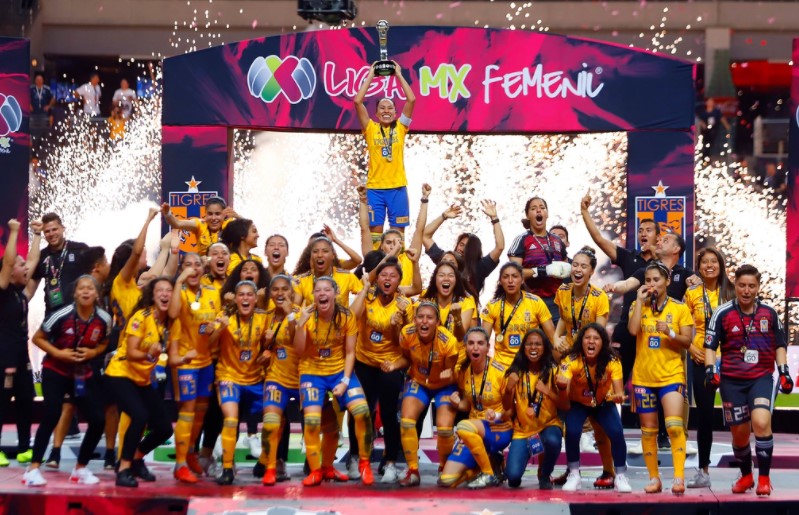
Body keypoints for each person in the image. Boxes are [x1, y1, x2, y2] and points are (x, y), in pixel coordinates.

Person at [705, 264, 791, 497]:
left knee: (761, 422)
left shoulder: (769, 313)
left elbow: (780, 344)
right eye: (742, 285)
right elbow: (710, 346)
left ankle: (764, 479)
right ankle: (746, 475)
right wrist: (710, 370)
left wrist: (784, 371)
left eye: (751, 286)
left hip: (761, 378)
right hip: (731, 382)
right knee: (740, 434)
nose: (746, 290)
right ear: (735, 285)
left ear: (758, 287)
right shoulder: (722, 313)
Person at [23, 275, 112, 487]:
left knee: (98, 419)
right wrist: (59, 353)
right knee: (53, 413)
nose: (86, 291)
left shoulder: (104, 319)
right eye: (81, 288)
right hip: (55, 370)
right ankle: (33, 469)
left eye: (90, 288)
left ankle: (80, 468)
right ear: (75, 293)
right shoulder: (61, 315)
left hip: (81, 374)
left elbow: (105, 342)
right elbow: (37, 338)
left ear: (97, 294)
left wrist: (93, 353)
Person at [293, 276, 375, 486]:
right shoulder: (305, 315)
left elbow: (350, 352)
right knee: (314, 422)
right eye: (318, 290)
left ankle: (364, 463)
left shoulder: (347, 316)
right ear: (313, 295)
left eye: (327, 289)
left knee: (362, 413)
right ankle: (317, 471)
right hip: (312, 372)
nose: (322, 293)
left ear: (336, 294)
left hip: (340, 371)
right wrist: (300, 326)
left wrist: (345, 381)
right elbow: (299, 351)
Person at [26, 212, 90, 469]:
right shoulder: (43, 256)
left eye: (54, 229)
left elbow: (95, 278)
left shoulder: (79, 250)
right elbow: (30, 281)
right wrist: (19, 304)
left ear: (63, 228)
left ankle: (74, 424)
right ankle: (59, 437)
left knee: (78, 376)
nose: (51, 234)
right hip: (53, 322)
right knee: (56, 376)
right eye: (47, 231)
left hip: (78, 321)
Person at [580, 192, 658, 399]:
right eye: (640, 230)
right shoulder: (629, 257)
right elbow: (599, 239)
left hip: (654, 330)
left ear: (658, 237)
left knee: (655, 383)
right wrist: (585, 212)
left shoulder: (666, 264)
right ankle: (605, 415)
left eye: (648, 230)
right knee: (614, 382)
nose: (643, 233)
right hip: (627, 327)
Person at [104, 276, 179, 487]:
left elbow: (173, 358)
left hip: (141, 379)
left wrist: (186, 359)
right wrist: (149, 354)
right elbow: (131, 352)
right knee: (139, 416)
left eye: (169, 290)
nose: (165, 294)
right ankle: (123, 468)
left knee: (164, 428)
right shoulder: (141, 316)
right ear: (152, 296)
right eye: (160, 290)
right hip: (120, 373)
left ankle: (136, 458)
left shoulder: (171, 324)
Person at [628, 261, 694, 494]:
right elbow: (633, 330)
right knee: (648, 430)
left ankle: (679, 478)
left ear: (666, 281)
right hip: (644, 377)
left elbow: (687, 341)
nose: (652, 284)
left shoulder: (679, 308)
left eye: (656, 280)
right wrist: (638, 301)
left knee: (674, 427)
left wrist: (670, 332)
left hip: (671, 375)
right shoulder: (638, 305)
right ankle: (654, 479)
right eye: (648, 280)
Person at [553, 246, 615, 489]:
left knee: (599, 424)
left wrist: (582, 352)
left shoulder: (599, 297)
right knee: (571, 422)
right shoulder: (563, 291)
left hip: (592, 362)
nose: (578, 270)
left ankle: (609, 471)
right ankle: (572, 471)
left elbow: (599, 335)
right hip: (570, 361)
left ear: (591, 272)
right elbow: (563, 319)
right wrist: (556, 337)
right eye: (575, 265)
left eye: (583, 266)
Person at [349, 259, 413, 484]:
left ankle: (390, 462)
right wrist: (365, 288)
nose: (387, 279)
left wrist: (399, 323)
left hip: (390, 364)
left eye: (393, 276)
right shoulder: (367, 296)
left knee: (388, 413)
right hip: (364, 361)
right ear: (377, 279)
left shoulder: (405, 304)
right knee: (360, 411)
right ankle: (356, 457)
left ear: (399, 281)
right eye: (383, 275)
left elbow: (404, 344)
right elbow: (351, 316)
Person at [556, 323, 631, 493]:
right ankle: (574, 474)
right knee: (572, 431)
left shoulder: (613, 361)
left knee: (617, 432)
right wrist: (561, 387)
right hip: (578, 403)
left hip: (603, 402)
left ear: (603, 342)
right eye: (587, 338)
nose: (591, 341)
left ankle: (620, 475)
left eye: (596, 338)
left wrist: (619, 396)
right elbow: (564, 397)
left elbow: (619, 391)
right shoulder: (570, 360)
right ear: (581, 341)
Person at [168, 253, 222, 483]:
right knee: (187, 411)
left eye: (197, 264)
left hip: (206, 361)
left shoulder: (212, 292)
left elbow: (217, 325)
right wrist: (179, 281)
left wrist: (215, 328)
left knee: (200, 412)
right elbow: (172, 314)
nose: (193, 269)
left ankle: (190, 452)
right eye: (188, 265)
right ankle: (179, 463)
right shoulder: (178, 291)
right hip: (185, 361)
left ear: (204, 268)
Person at [209, 280, 270, 485]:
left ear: (255, 299)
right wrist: (219, 329)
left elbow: (270, 345)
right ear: (235, 299)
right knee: (231, 419)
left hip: (255, 379)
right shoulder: (223, 317)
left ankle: (264, 462)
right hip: (228, 377)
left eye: (249, 294)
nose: (245, 298)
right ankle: (227, 468)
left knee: (275, 418)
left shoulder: (263, 318)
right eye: (241, 294)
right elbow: (208, 345)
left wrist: (268, 352)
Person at [393, 301, 460, 487]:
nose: (424, 321)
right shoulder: (406, 333)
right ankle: (413, 470)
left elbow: (453, 371)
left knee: (445, 428)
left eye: (429, 318)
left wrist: (449, 373)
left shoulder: (449, 341)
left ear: (437, 322)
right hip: (419, 382)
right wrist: (393, 365)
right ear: (414, 319)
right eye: (420, 317)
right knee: (406, 421)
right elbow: (406, 358)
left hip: (444, 386)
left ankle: (444, 467)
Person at [683, 247, 734, 488]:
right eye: (705, 262)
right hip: (701, 359)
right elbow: (683, 326)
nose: (710, 265)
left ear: (721, 266)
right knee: (704, 416)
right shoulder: (692, 293)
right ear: (699, 267)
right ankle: (703, 472)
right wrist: (691, 348)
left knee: (738, 416)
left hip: (730, 360)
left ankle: (746, 468)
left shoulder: (732, 292)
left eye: (714, 261)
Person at [439, 327, 512, 489]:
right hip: (473, 431)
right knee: (447, 480)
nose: (475, 347)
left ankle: (488, 473)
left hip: (498, 428)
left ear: (488, 347)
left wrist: (497, 415)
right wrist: (456, 403)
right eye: (471, 343)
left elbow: (511, 410)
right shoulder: (464, 371)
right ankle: (490, 463)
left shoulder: (501, 372)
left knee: (462, 426)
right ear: (466, 347)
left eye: (480, 343)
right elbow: (467, 405)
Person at [353, 60, 416, 239]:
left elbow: (411, 99)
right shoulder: (370, 128)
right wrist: (370, 75)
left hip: (398, 188)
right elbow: (357, 101)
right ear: (376, 113)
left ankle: (398, 259)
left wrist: (399, 75)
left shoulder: (401, 127)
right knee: (375, 236)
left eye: (390, 108)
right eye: (382, 108)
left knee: (397, 236)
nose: (386, 111)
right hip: (375, 189)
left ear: (395, 113)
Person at [0, 219, 41, 467]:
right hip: (3, 358)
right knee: (2, 403)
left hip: (21, 357)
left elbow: (33, 262)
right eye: (21, 265)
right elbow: (7, 263)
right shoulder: (3, 291)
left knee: (26, 400)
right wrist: (14, 232)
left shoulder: (21, 294)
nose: (26, 268)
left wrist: (36, 235)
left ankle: (25, 448)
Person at [504, 329, 565, 489]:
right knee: (513, 479)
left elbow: (565, 405)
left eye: (538, 344)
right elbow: (507, 407)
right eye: (529, 344)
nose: (533, 347)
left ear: (545, 348)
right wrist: (508, 390)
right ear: (523, 348)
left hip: (548, 425)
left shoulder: (553, 371)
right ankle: (507, 461)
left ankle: (544, 474)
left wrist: (548, 391)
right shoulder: (515, 372)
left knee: (553, 440)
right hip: (523, 431)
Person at [259, 274, 301, 485]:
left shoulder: (302, 314)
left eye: (285, 289)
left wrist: (289, 315)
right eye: (275, 289)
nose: (280, 293)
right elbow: (259, 348)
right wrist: (265, 346)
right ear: (270, 294)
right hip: (276, 377)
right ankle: (271, 467)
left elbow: (297, 342)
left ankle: (321, 467)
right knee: (272, 421)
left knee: (319, 424)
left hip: (304, 378)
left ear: (292, 293)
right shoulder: (265, 316)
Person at [422, 199, 505, 295]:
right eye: (461, 244)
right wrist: (443, 216)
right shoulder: (446, 259)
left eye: (467, 248)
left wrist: (494, 218)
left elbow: (500, 247)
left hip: (468, 304)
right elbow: (425, 236)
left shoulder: (480, 267)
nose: (461, 249)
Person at [481, 262, 555, 368]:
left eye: (515, 276)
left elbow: (553, 338)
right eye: (506, 277)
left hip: (530, 364)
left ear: (522, 279)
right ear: (500, 281)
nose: (510, 281)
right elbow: (483, 341)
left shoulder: (536, 302)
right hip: (501, 366)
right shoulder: (492, 306)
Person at [358, 183, 428, 295]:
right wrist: (363, 201)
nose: (393, 246)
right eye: (389, 242)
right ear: (381, 245)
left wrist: (425, 200)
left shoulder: (409, 259)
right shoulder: (373, 257)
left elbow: (420, 230)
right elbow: (364, 228)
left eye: (396, 242)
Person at [508, 197, 571, 322]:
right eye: (533, 208)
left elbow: (565, 269)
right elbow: (514, 274)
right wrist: (542, 271)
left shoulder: (557, 240)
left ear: (547, 214)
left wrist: (566, 270)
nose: (538, 210)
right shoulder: (521, 240)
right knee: (532, 336)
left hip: (556, 303)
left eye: (542, 207)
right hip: (530, 300)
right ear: (528, 215)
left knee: (557, 335)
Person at [419, 260, 477, 341]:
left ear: (456, 280)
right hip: (429, 348)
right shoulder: (426, 298)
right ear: (435, 279)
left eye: (451, 275)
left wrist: (457, 319)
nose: (446, 279)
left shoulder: (466, 301)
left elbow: (459, 337)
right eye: (441, 275)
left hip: (455, 348)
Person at [295, 237, 363, 307]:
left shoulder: (347, 276)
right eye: (315, 251)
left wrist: (350, 313)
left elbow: (364, 297)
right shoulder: (301, 280)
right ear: (311, 256)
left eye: (325, 251)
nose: (320, 255)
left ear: (333, 255)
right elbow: (294, 307)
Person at [161, 196, 236, 257]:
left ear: (224, 214)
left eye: (217, 214)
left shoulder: (230, 225)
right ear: (205, 214)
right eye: (210, 214)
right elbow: (177, 224)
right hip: (205, 269)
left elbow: (243, 232)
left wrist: (238, 217)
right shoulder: (200, 224)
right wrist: (167, 214)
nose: (213, 218)